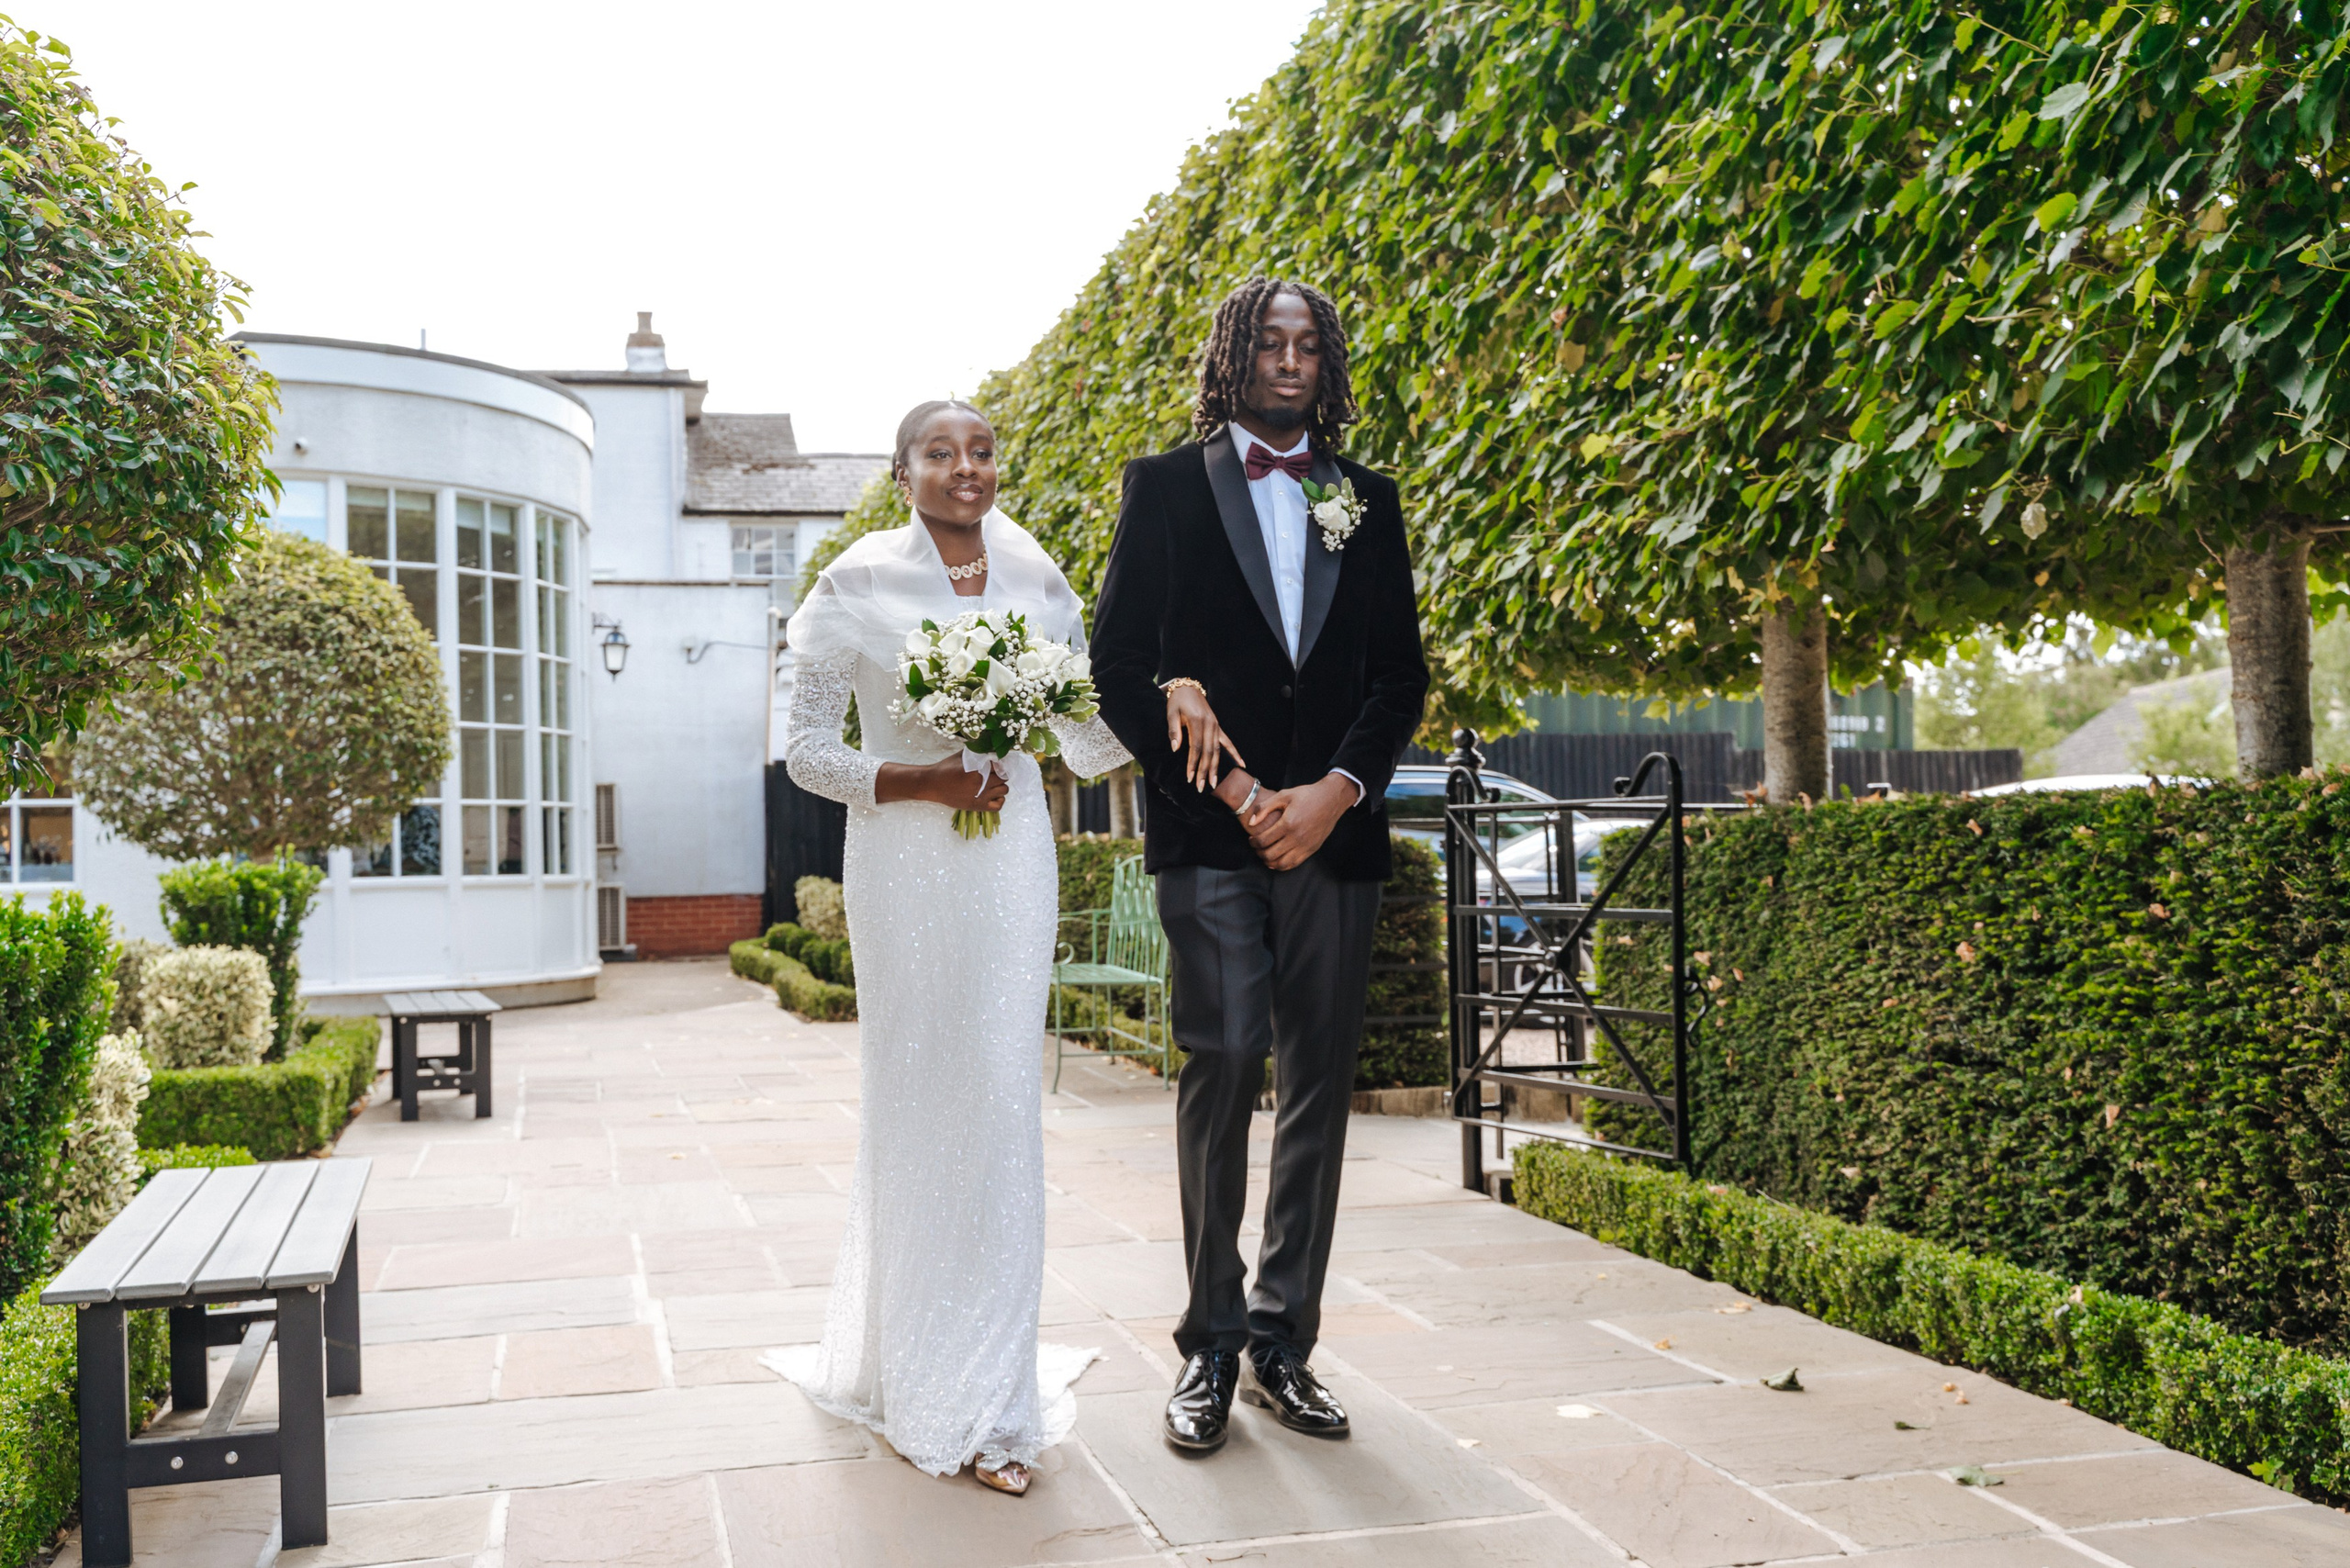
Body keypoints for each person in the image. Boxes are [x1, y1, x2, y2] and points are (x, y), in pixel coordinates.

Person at [764, 399, 1134, 1495]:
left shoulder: (1038, 579)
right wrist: (918, 776)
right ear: (901, 474)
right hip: (904, 858)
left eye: (980, 452)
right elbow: (803, 754)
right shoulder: (855, 587)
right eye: (941, 453)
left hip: (1011, 855)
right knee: (922, 1094)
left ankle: (997, 1393)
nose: (965, 468)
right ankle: (918, 1372)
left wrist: (1189, 704)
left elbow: (1084, 735)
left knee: (1000, 1100)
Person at [1089, 278, 1430, 1454]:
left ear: (1325, 365)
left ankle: (1287, 1343)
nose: (1288, 361)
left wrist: (1335, 792)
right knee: (1225, 1059)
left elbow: (1399, 679)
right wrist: (1239, 792)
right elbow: (1119, 662)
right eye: (1268, 343)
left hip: (1334, 838)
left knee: (1320, 1088)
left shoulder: (1366, 500)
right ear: (1234, 358)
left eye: (1307, 346)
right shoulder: (1166, 487)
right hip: (1210, 835)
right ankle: (1210, 1344)